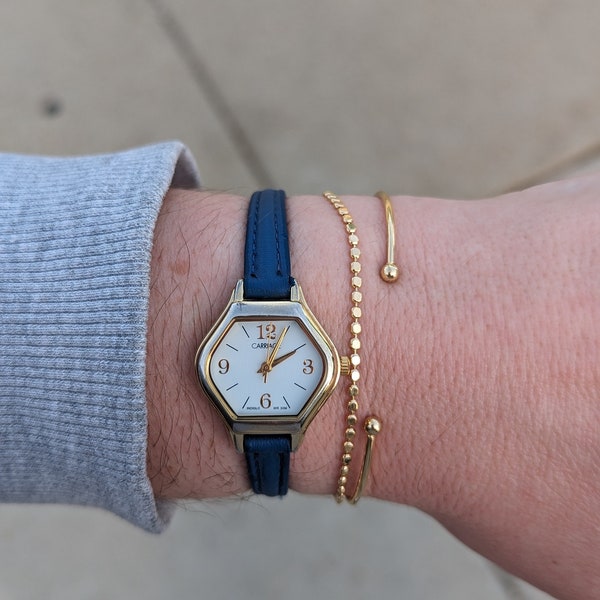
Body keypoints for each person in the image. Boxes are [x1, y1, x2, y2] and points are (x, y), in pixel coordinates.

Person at [0, 142, 598, 599]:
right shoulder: (236, 360)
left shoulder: (295, 371)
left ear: (327, 368)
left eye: (288, 358)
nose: (274, 359)